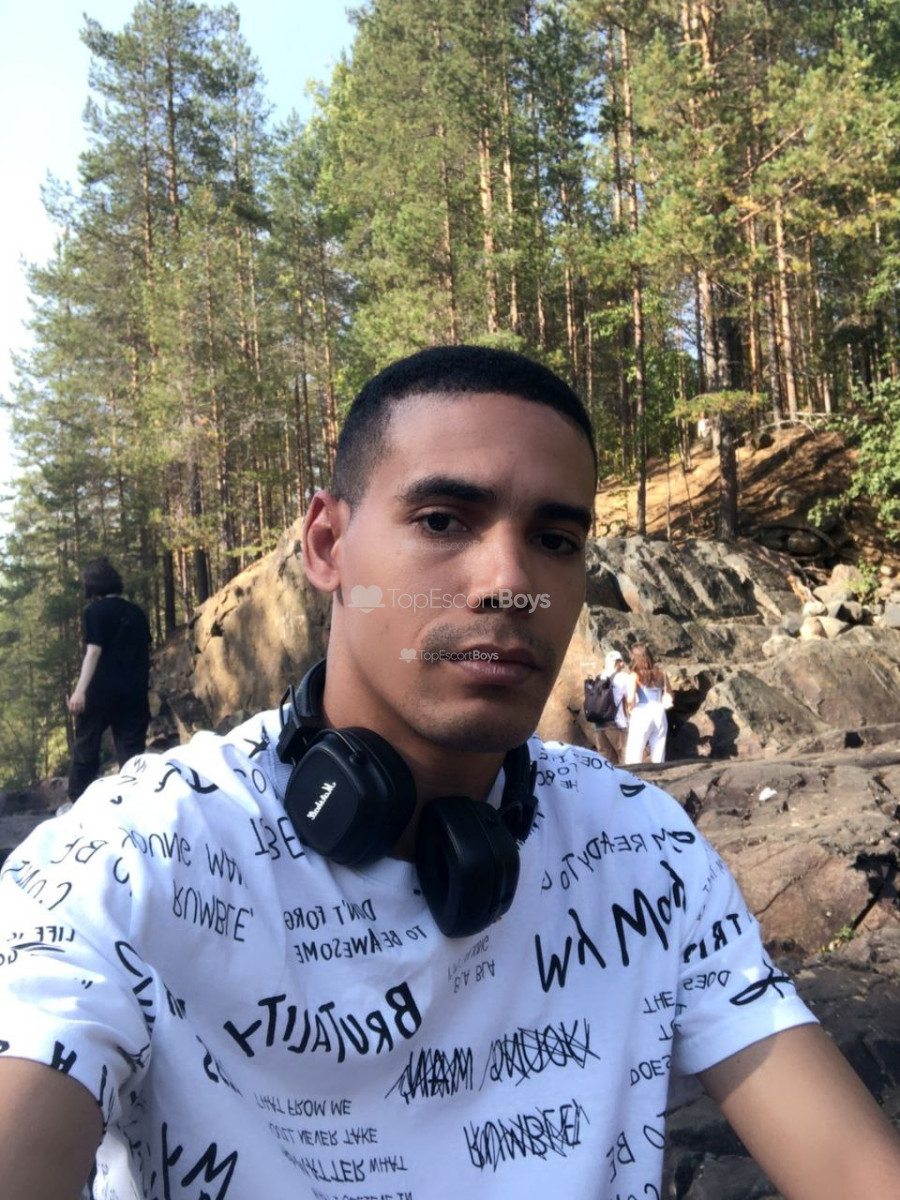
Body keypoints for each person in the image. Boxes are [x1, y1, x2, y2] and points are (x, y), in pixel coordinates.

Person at [1, 346, 899, 1200]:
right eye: (442, 521)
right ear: (327, 545)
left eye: (555, 539)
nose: (509, 581)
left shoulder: (642, 848)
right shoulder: (131, 860)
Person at [66, 557, 152, 801]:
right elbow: (144, 652)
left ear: (92, 585)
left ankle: (78, 804)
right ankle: (134, 804)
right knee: (132, 756)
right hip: (133, 693)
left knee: (86, 748)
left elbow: (94, 651)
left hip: (100, 693)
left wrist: (80, 691)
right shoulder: (136, 612)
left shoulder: (94, 612)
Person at [623, 643, 670, 766]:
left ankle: (634, 776)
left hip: (642, 711)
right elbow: (670, 693)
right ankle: (660, 775)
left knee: (634, 752)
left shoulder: (634, 675)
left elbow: (630, 698)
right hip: (659, 710)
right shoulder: (661, 673)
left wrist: (629, 709)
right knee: (659, 752)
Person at [589, 649, 629, 763]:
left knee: (606, 761)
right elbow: (630, 699)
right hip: (617, 724)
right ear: (618, 663)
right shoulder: (623, 677)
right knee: (624, 757)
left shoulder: (599, 677)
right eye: (621, 661)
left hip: (599, 724)